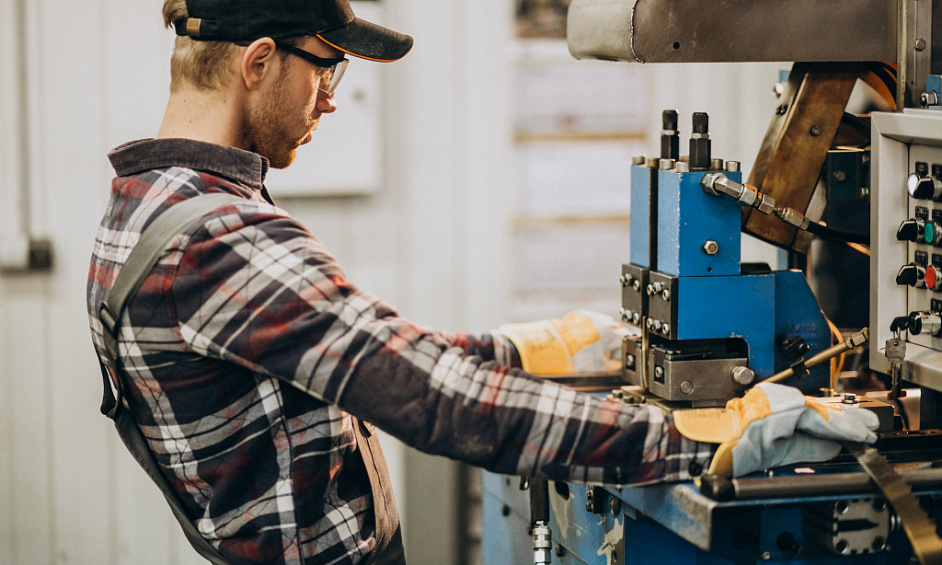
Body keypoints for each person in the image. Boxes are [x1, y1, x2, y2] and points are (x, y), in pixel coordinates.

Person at [86, 0, 879, 563]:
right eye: (326, 69)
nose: (330, 99)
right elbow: (434, 399)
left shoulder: (147, 205)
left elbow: (364, 356)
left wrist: (531, 348)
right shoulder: (221, 240)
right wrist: (702, 441)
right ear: (259, 62)